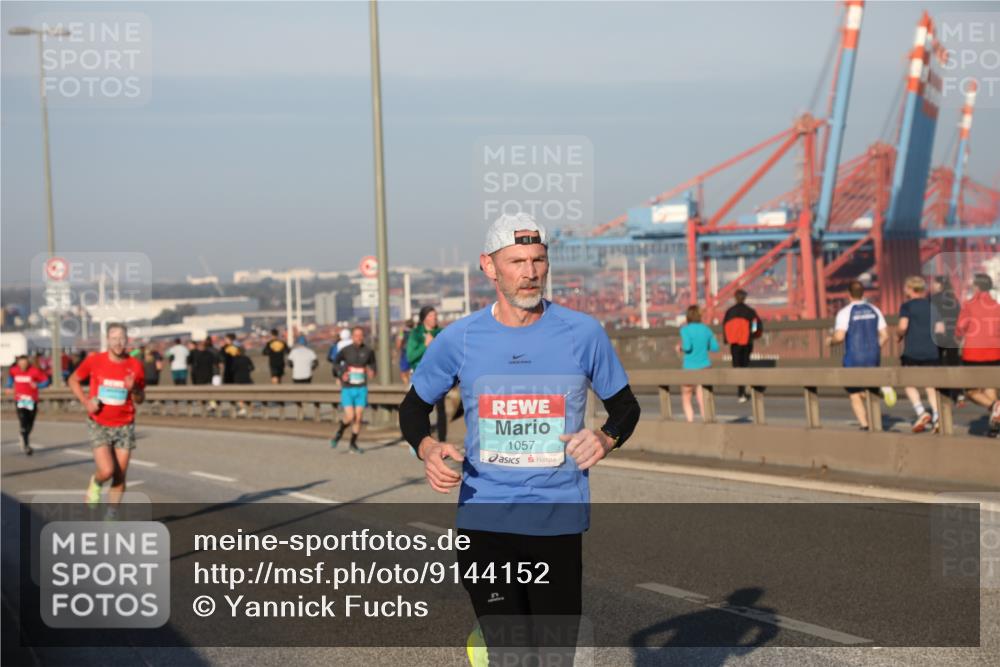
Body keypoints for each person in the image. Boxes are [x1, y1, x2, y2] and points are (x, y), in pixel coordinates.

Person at [398, 213, 641, 665]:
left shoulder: (582, 333)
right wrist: (427, 448)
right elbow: (413, 407)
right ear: (489, 267)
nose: (529, 273)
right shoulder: (461, 338)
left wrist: (606, 439)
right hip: (484, 519)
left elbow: (626, 407)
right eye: (516, 262)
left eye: (538, 260)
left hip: (557, 519)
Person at [67, 323, 146, 511]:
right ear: (107, 340)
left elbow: (140, 398)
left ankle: (112, 516)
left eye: (122, 338)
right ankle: (96, 482)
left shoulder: (135, 366)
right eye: (114, 338)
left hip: (125, 424)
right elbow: (73, 380)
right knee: (107, 470)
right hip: (99, 423)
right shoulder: (95, 361)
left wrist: (133, 388)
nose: (118, 343)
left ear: (127, 340)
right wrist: (86, 402)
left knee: (120, 475)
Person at [826, 280, 889, 431]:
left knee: (854, 393)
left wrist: (830, 341)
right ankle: (879, 398)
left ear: (848, 294)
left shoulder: (845, 312)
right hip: (873, 356)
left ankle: (865, 424)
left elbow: (840, 337)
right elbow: (885, 335)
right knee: (870, 388)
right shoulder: (874, 309)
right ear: (863, 293)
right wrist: (875, 347)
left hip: (853, 357)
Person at [955, 273, 1000, 437]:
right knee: (990, 388)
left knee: (971, 391)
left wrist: (959, 336)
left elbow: (961, 327)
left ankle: (996, 407)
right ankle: (995, 426)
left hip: (974, 353)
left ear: (977, 287)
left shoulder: (969, 305)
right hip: (995, 352)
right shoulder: (996, 306)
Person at [897, 276, 941, 432]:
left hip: (912, 351)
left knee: (908, 382)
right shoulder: (932, 306)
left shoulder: (906, 306)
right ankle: (937, 416)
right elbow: (940, 329)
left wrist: (899, 334)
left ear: (910, 289)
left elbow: (903, 326)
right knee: (931, 386)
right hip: (931, 351)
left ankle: (921, 412)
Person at [330, 326, 376, 453]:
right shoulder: (346, 350)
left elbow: (373, 365)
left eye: (361, 335)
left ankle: (353, 443)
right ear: (352, 337)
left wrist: (372, 371)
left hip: (361, 387)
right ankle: (339, 432)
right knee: (350, 417)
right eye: (356, 335)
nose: (359, 338)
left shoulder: (368, 351)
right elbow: (335, 363)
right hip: (348, 387)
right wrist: (342, 373)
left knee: (359, 417)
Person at [407, 306, 446, 441]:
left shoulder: (441, 333)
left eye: (435, 315)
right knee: (419, 410)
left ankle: (442, 440)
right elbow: (411, 357)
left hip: (438, 375)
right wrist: (425, 345)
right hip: (420, 377)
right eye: (431, 315)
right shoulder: (416, 333)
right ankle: (420, 439)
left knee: (441, 410)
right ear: (424, 318)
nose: (434, 318)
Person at [677, 304, 720, 422]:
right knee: (702, 398)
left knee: (686, 396)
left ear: (688, 316)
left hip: (689, 368)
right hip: (705, 367)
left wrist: (680, 348)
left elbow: (687, 347)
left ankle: (690, 424)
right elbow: (715, 348)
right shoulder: (707, 330)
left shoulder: (685, 330)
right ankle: (706, 424)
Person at [722, 289, 762, 403]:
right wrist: (753, 334)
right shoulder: (750, 311)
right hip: (747, 341)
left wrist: (727, 339)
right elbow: (756, 325)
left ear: (735, 297)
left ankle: (740, 392)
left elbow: (725, 326)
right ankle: (743, 391)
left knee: (736, 366)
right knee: (745, 365)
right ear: (745, 298)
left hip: (734, 343)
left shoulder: (729, 312)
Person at [5, 354, 51, 455]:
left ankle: (24, 435)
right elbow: (10, 379)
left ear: (28, 363)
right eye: (21, 363)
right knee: (23, 421)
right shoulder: (14, 370)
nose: (23, 366)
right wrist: (8, 386)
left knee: (30, 422)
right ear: (18, 363)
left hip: (32, 400)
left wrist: (37, 385)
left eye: (25, 363)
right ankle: (26, 445)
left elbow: (46, 381)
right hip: (20, 400)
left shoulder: (34, 371)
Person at [930, 275, 964, 405]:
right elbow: (960, 317)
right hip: (953, 336)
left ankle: (943, 392)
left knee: (938, 365)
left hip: (937, 336)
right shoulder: (953, 299)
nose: (933, 286)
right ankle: (958, 393)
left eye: (934, 284)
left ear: (940, 285)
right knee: (954, 364)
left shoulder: (933, 299)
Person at [230, 346, 255, 417]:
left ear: (238, 351)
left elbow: (232, 369)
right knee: (247, 393)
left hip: (238, 379)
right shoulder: (247, 358)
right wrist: (247, 371)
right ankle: (249, 407)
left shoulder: (235, 359)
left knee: (239, 394)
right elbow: (252, 367)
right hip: (247, 378)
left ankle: (242, 408)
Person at [397, 317, 415, 385]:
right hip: (415, 354)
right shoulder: (416, 332)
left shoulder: (403, 333)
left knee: (404, 373)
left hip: (405, 354)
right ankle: (411, 385)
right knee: (413, 371)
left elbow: (398, 344)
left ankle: (407, 385)